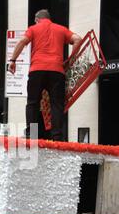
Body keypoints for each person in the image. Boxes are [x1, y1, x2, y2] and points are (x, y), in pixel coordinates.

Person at [9, 9, 82, 141]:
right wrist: (71, 59)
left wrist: (13, 61)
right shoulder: (61, 29)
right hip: (56, 71)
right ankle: (57, 136)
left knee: (33, 102)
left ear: (37, 20)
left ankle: (31, 133)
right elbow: (78, 39)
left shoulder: (33, 28)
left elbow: (21, 42)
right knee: (56, 104)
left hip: (37, 70)